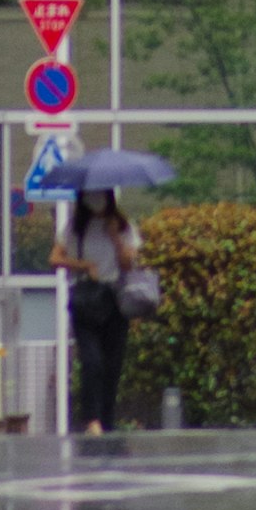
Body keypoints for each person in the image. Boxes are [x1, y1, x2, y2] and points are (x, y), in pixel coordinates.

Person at [58, 182, 149, 437]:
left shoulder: (123, 225)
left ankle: (107, 420)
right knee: (92, 361)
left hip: (115, 300)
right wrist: (84, 265)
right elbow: (55, 258)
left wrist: (116, 238)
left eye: (99, 195)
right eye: (89, 195)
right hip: (86, 298)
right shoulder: (76, 227)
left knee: (113, 363)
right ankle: (91, 419)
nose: (95, 200)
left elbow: (129, 263)